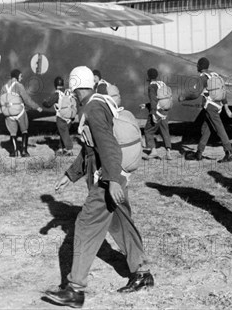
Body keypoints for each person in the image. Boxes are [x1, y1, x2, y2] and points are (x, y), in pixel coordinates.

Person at [44, 66, 154, 308]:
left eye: (72, 90)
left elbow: (109, 147)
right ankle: (142, 273)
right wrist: (70, 174)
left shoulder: (93, 108)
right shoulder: (99, 103)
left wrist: (112, 180)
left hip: (107, 177)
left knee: (85, 224)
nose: (71, 95)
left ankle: (75, 290)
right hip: (115, 174)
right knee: (121, 222)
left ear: (75, 86)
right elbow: (91, 148)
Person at [181, 57, 232, 163]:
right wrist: (226, 107)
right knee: (207, 129)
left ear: (200, 66)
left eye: (197, 65)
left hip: (210, 107)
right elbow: (223, 91)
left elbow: (196, 94)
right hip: (217, 105)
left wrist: (184, 97)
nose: (196, 66)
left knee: (219, 128)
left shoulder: (203, 78)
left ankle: (229, 152)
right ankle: (199, 153)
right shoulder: (215, 75)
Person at [0, 69, 43, 157]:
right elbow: (26, 99)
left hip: (9, 113)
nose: (22, 78)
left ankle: (14, 152)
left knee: (13, 133)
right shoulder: (19, 86)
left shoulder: (4, 87)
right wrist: (37, 107)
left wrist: (4, 112)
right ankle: (24, 151)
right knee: (24, 130)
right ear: (17, 76)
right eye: (21, 76)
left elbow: (1, 102)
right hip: (19, 112)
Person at [144, 68, 173, 160]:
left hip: (157, 112)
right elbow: (161, 99)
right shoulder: (162, 84)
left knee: (148, 130)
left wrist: (152, 114)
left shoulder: (151, 86)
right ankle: (168, 152)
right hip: (165, 111)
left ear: (148, 76)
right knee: (165, 130)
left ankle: (153, 151)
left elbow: (154, 100)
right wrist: (145, 105)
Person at [42, 76, 74, 156]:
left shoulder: (57, 94)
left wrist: (44, 102)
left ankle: (69, 149)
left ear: (55, 85)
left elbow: (48, 104)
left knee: (63, 133)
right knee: (63, 132)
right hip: (70, 116)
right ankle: (60, 148)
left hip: (61, 116)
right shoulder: (69, 92)